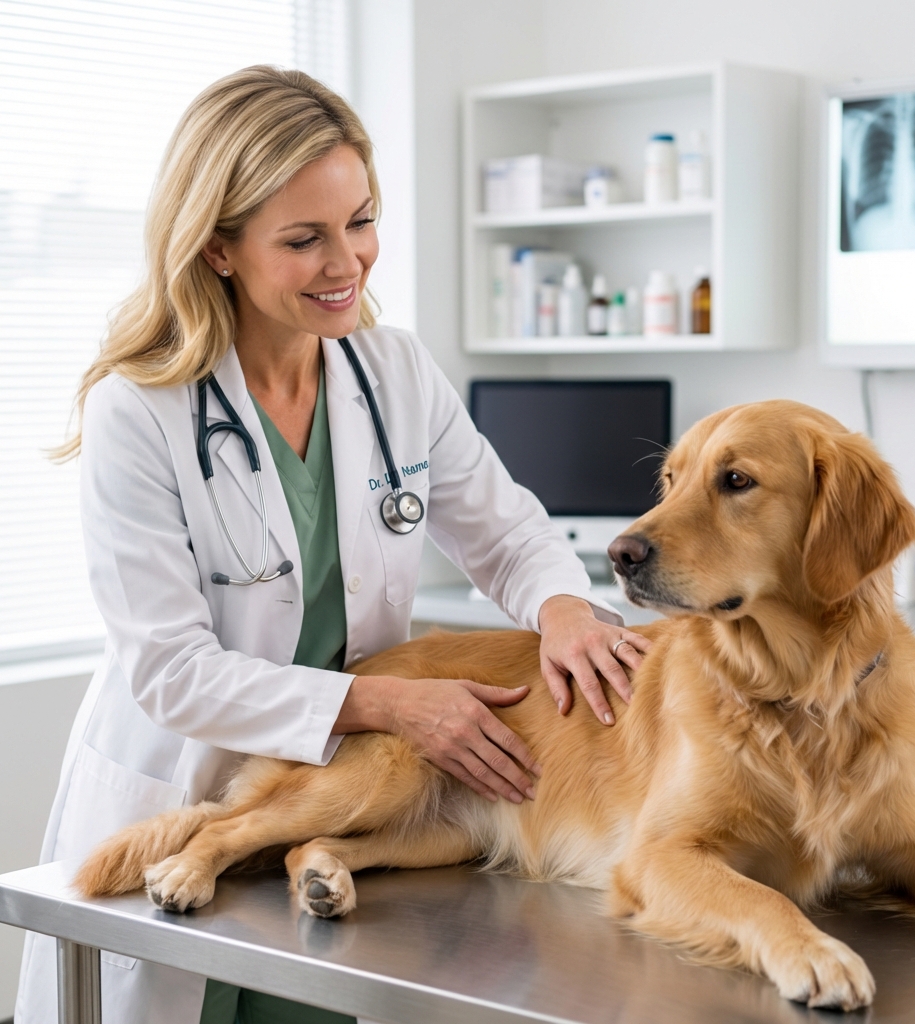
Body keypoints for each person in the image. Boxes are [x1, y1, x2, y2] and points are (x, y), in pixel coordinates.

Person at [15, 66, 651, 1024]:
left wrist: (565, 609)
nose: (347, 261)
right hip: (190, 783)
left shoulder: (390, 372)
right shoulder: (137, 408)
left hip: (341, 805)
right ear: (219, 248)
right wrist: (392, 703)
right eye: (303, 239)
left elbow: (506, 529)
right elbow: (171, 670)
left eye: (360, 221)